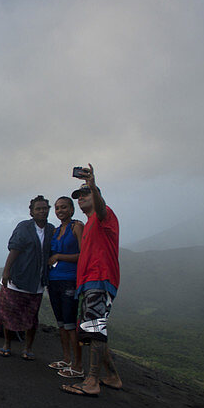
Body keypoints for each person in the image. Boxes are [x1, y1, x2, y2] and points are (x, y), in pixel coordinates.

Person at [62, 164, 123, 396]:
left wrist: (92, 184)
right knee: (92, 330)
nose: (81, 198)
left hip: (101, 278)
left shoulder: (104, 216)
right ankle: (113, 376)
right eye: (78, 196)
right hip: (88, 283)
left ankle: (92, 382)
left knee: (95, 330)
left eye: (85, 194)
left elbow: (100, 205)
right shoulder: (87, 225)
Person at [0, 196, 55, 359]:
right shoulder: (24, 227)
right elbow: (14, 249)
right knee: (9, 313)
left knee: (32, 316)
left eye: (45, 208)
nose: (42, 211)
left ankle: (28, 349)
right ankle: (7, 344)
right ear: (31, 212)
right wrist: (6, 272)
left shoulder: (51, 229)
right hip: (17, 278)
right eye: (38, 209)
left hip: (36, 281)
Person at [46, 196, 84, 377]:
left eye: (64, 207)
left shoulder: (77, 226)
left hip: (70, 279)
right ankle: (66, 359)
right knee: (61, 323)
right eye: (57, 208)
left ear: (71, 209)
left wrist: (60, 256)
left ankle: (77, 366)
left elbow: (84, 254)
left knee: (70, 323)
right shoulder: (55, 230)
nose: (60, 211)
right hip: (53, 280)